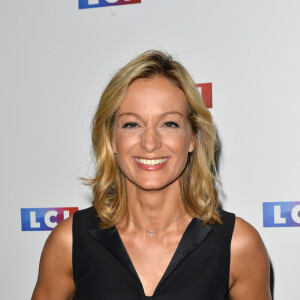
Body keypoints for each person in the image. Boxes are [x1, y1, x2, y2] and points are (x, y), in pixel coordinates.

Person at [32, 50, 271, 300]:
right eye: (131, 124)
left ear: (192, 138)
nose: (149, 143)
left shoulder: (238, 245)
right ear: (112, 138)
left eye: (169, 124)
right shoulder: (68, 242)